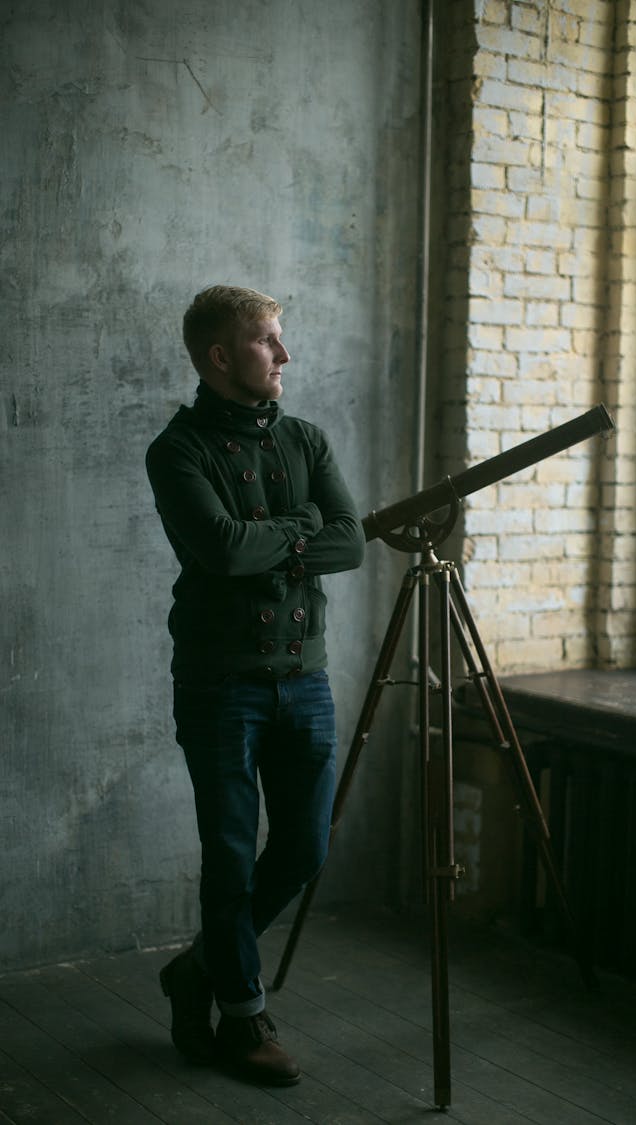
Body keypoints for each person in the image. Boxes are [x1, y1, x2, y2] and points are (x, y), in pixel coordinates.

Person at [146, 285, 366, 1086]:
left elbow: (353, 543)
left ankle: (196, 968)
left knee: (305, 845)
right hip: (220, 686)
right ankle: (243, 1017)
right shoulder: (178, 451)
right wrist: (302, 526)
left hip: (303, 680)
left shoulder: (305, 439)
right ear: (219, 356)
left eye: (279, 339)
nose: (284, 354)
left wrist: (288, 535)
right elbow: (224, 552)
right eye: (268, 340)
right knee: (232, 856)